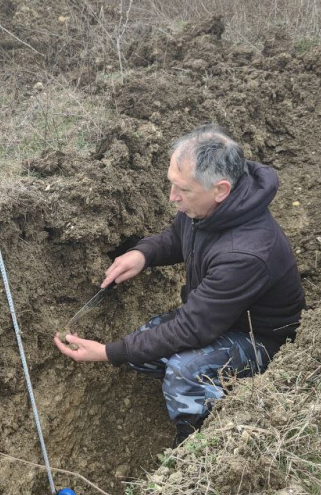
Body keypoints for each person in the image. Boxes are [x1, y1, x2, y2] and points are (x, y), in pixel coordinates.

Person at [54, 124, 306, 446]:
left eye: (182, 190)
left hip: (263, 338)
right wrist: (142, 254)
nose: (173, 198)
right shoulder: (205, 206)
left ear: (221, 189)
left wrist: (107, 352)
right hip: (218, 316)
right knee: (143, 349)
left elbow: (191, 328)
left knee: (183, 372)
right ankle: (211, 385)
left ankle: (201, 444)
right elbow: (177, 237)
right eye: (172, 185)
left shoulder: (246, 253)